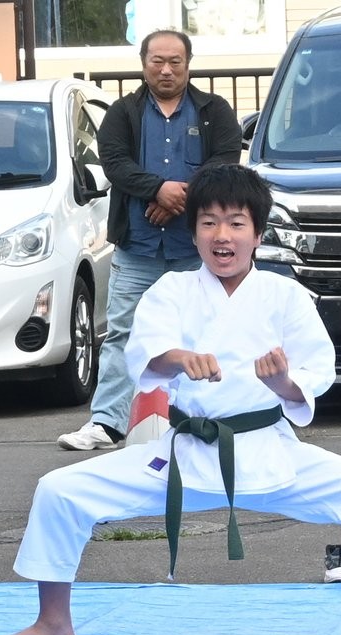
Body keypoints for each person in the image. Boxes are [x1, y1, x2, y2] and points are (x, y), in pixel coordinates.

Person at [0, 163, 341, 635]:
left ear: (257, 234)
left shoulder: (286, 295)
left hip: (268, 451)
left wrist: (284, 383)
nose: (222, 235)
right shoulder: (172, 291)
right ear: (193, 232)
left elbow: (317, 368)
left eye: (236, 223)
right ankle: (52, 623)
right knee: (59, 490)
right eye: (209, 222)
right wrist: (180, 359)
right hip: (183, 454)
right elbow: (147, 352)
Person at [58, 29, 243, 452]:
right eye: (157, 61)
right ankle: (107, 423)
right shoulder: (122, 113)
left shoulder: (214, 110)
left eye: (175, 61)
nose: (166, 70)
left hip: (195, 249)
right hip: (137, 248)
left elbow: (225, 159)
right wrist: (158, 189)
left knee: (205, 333)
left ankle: (206, 418)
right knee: (123, 332)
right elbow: (115, 164)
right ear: (143, 64)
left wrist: (179, 198)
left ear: (188, 64)